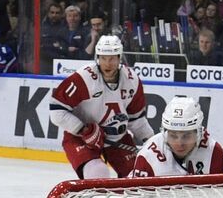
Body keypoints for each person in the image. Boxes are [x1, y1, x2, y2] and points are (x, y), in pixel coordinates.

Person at [48, 34, 154, 178]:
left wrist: (151, 141)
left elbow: (137, 120)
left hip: (117, 137)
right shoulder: (84, 78)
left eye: (112, 58)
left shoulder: (132, 80)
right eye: (103, 58)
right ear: (97, 58)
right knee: (97, 173)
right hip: (81, 138)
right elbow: (56, 110)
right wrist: (83, 130)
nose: (107, 63)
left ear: (119, 58)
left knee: (138, 175)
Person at [130, 97, 223, 176]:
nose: (179, 143)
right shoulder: (148, 156)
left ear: (198, 133)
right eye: (173, 136)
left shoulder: (213, 152)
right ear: (165, 133)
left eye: (186, 136)